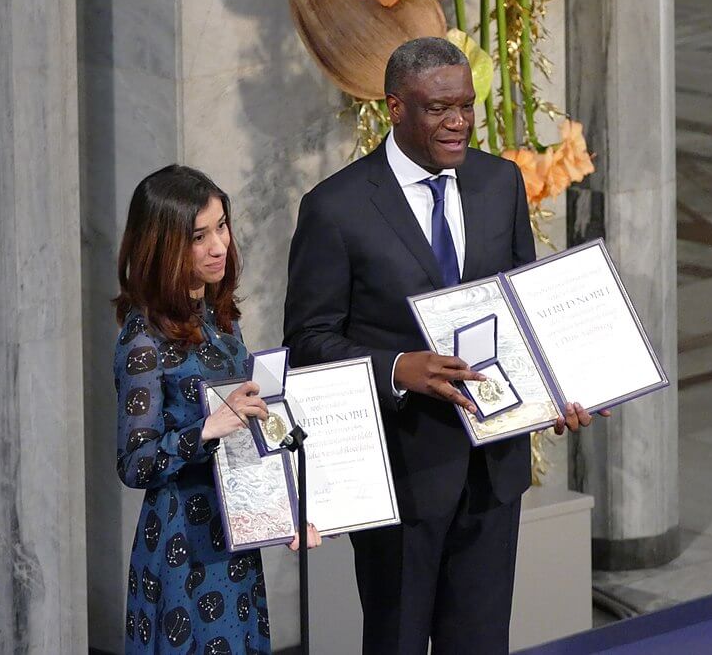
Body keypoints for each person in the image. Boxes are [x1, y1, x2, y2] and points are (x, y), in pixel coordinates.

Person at [283, 38, 600, 653]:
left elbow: (521, 317)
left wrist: (558, 390)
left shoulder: (499, 182)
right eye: (439, 109)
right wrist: (399, 368)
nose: (459, 122)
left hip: (492, 471)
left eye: (466, 106)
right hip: (401, 476)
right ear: (395, 107)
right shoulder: (335, 208)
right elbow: (308, 341)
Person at [113, 164, 320, 655]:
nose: (218, 246)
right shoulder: (142, 339)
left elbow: (252, 431)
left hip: (234, 539)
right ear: (163, 246)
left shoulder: (221, 321)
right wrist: (205, 430)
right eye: (199, 236)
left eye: (221, 226)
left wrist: (292, 511)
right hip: (181, 548)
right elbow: (134, 463)